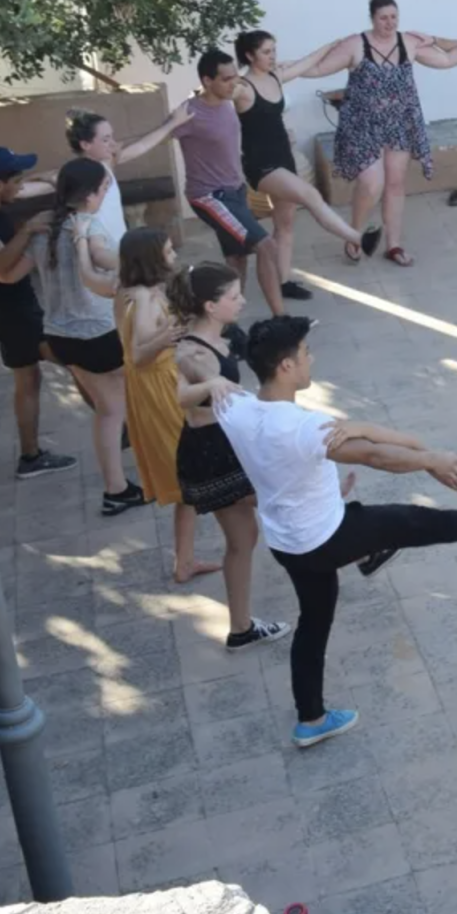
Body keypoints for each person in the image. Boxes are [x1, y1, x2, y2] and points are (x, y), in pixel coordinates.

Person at [217, 315, 457, 747]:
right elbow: (375, 456)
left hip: (286, 541)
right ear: (286, 366)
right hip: (328, 536)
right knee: (414, 521)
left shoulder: (235, 407)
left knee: (313, 623)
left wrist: (209, 384)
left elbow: (191, 377)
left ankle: (312, 720)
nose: (310, 358)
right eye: (305, 353)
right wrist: (432, 460)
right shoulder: (301, 426)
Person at [302, 0, 457, 265]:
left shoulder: (408, 42)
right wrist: (284, 69)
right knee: (372, 184)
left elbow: (447, 61)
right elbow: (318, 70)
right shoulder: (355, 44)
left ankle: (393, 245)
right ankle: (354, 235)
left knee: (395, 184)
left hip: (400, 123)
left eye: (394, 17)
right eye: (383, 18)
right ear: (372, 18)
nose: (389, 22)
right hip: (363, 125)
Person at [169, 262, 289, 651]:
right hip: (213, 454)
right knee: (292, 499)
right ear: (210, 305)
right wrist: (211, 382)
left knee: (245, 537)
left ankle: (241, 629)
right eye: (234, 296)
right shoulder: (192, 352)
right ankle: (362, 549)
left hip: (227, 446)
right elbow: (180, 397)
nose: (242, 301)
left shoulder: (223, 337)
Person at [0, 149, 76, 478]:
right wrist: (29, 229)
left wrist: (42, 178)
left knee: (29, 378)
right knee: (79, 363)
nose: (20, 186)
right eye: (16, 180)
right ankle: (121, 426)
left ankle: (31, 456)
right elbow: (2, 262)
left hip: (6, 310)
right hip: (13, 314)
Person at [116, 229, 221, 583]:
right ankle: (186, 560)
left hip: (158, 385)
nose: (173, 253)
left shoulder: (135, 290)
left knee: (188, 480)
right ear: (151, 259)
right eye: (167, 250)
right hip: (160, 389)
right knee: (191, 471)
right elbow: (138, 353)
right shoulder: (143, 297)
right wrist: (167, 336)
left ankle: (185, 562)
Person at [43, 159, 146, 516]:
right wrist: (146, 259)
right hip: (98, 336)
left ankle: (116, 489)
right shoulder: (88, 225)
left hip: (60, 336)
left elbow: (11, 273)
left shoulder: (47, 228)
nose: (106, 195)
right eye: (104, 189)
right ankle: (159, 468)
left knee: (109, 410)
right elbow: (103, 255)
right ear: (89, 194)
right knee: (142, 394)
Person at [228, 31, 369, 278]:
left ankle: (282, 281)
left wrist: (330, 44)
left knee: (285, 226)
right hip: (261, 165)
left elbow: (307, 62)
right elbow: (217, 93)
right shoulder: (243, 88)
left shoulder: (276, 76)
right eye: (266, 52)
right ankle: (357, 238)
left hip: (284, 157)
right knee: (311, 195)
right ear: (250, 56)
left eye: (274, 50)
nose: (273, 56)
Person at [171, 49, 289, 313]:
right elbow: (159, 134)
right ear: (207, 80)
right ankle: (281, 318)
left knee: (237, 258)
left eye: (235, 77)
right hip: (209, 196)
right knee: (266, 245)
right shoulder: (189, 113)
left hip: (236, 191)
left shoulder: (228, 98)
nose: (234, 83)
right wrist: (118, 149)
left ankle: (227, 319)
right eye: (226, 79)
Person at [63, 103, 193, 247]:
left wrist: (174, 123)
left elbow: (142, 146)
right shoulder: (77, 175)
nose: (113, 144)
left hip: (119, 247)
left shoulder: (105, 165)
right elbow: (42, 184)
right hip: (102, 252)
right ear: (85, 145)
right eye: (106, 139)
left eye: (112, 137)